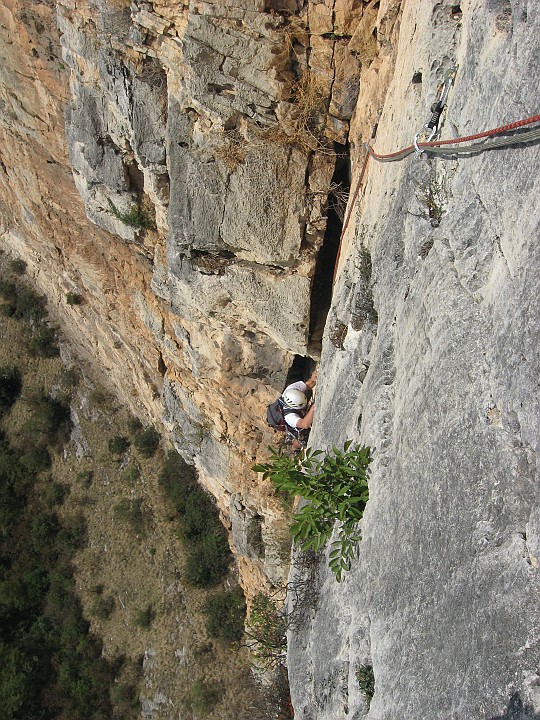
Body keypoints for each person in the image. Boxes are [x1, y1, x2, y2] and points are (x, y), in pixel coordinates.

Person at [280, 369, 318, 450]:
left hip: (297, 409)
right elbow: (304, 424)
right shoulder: (289, 417)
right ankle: (294, 447)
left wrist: (314, 377)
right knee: (301, 436)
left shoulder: (292, 388)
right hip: (292, 424)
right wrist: (313, 409)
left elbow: (309, 384)